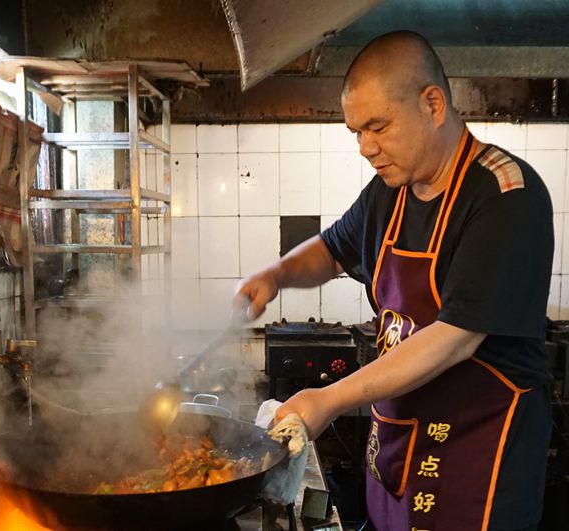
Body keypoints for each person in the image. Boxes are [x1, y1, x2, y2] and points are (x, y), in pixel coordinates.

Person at [235, 31, 554, 531]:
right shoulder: (392, 190)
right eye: (356, 132)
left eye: (377, 126)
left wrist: (330, 398)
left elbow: (454, 339)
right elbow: (331, 249)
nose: (366, 147)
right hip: (400, 444)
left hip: (479, 453)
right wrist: (277, 275)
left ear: (432, 104)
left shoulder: (504, 194)